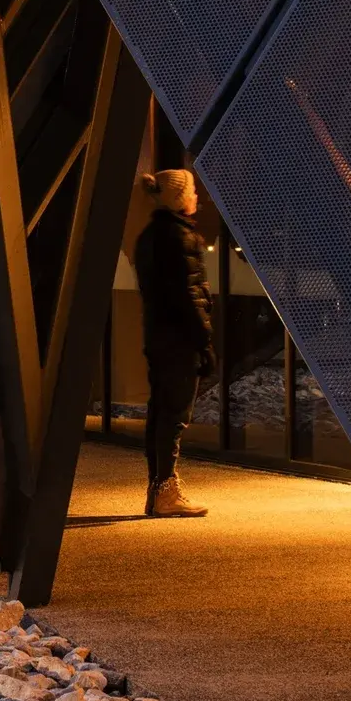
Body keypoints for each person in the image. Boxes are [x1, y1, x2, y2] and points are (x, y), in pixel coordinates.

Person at [131, 167, 213, 518]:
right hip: (179, 341)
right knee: (175, 416)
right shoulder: (180, 238)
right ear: (180, 198)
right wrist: (204, 342)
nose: (197, 197)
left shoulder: (150, 235)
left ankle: (159, 488)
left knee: (160, 413)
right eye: (192, 191)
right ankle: (166, 492)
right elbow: (190, 296)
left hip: (158, 336)